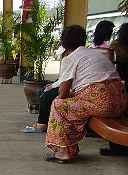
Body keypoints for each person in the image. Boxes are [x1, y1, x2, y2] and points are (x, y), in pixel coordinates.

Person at [45, 25, 125, 163]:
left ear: (63, 43)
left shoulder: (70, 58)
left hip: (101, 103)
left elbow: (63, 93)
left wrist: (64, 94)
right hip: (120, 101)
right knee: (72, 102)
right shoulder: (96, 54)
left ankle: (64, 152)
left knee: (58, 105)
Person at [100, 22, 128, 156]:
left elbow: (109, 63)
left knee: (117, 113)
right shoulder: (116, 46)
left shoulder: (116, 46)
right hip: (122, 83)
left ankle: (117, 146)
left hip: (120, 83)